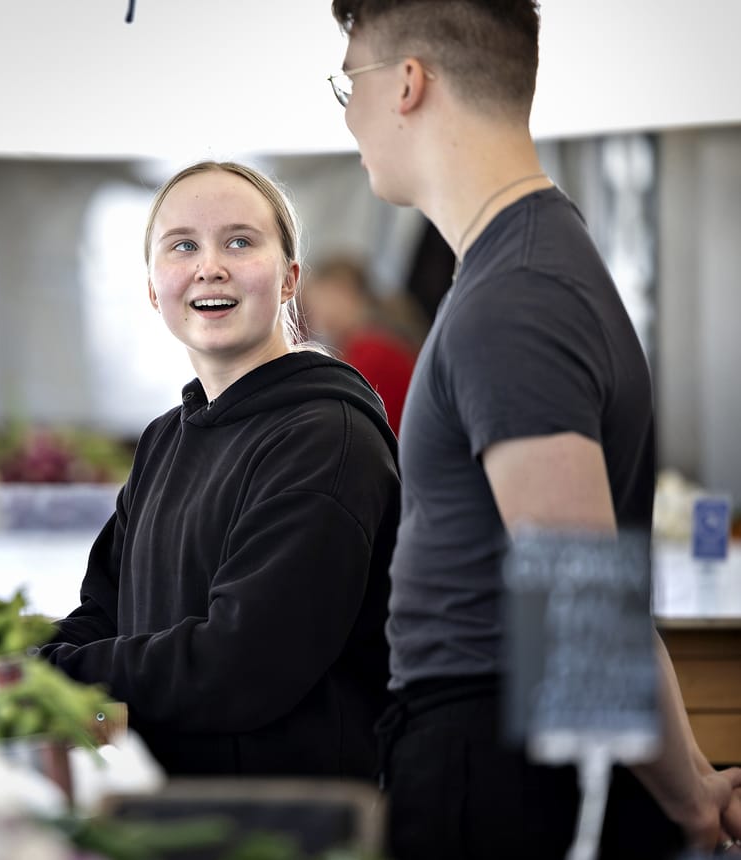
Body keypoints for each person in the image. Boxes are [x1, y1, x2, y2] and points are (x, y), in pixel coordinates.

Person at [327, 1, 741, 856]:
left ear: (407, 83)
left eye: (349, 81)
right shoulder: (525, 262)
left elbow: (582, 607)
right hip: (493, 749)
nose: (348, 113)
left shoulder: (515, 294)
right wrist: (690, 779)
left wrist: (692, 801)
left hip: (494, 768)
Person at [39, 161, 400, 778]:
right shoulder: (165, 440)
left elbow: (242, 664)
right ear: (154, 289)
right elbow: (106, 609)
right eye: (183, 246)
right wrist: (18, 659)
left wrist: (52, 671)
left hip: (284, 822)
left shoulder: (326, 440)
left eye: (239, 241)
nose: (210, 265)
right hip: (168, 805)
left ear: (289, 280)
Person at [298, 253, 417, 435]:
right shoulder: (372, 342)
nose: (312, 317)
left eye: (315, 305)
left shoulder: (373, 351)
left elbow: (341, 423)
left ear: (340, 292)